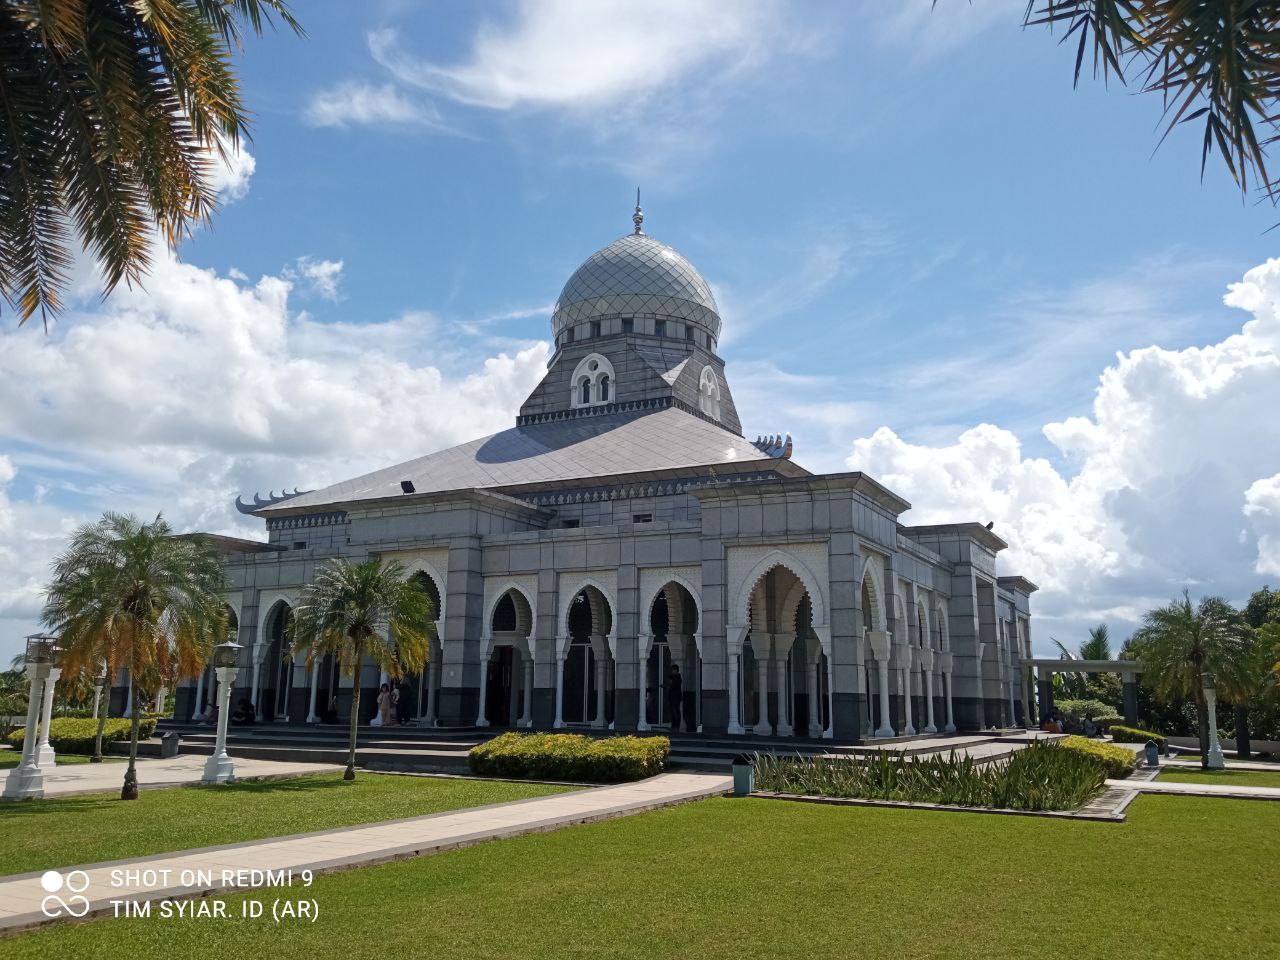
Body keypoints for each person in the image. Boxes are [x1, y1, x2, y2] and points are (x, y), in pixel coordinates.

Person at [666, 663, 683, 733]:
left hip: (675, 697)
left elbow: (673, 686)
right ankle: (674, 726)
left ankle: (675, 726)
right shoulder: (675, 677)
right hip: (674, 697)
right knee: (674, 711)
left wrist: (668, 686)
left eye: (673, 670)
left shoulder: (676, 677)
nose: (672, 671)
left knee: (675, 712)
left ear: (676, 670)